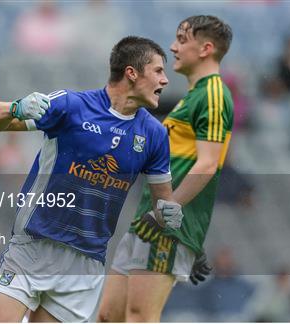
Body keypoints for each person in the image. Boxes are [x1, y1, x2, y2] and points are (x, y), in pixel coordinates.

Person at [0, 36, 181, 322]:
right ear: (131, 73)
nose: (165, 80)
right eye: (159, 71)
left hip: (85, 265)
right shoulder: (72, 105)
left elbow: (164, 202)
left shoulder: (154, 134)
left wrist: (169, 213)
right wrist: (17, 108)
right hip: (34, 246)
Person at [98, 15, 234, 322]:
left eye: (182, 40)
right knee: (109, 315)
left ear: (206, 48)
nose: (173, 47)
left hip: (165, 223)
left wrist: (169, 214)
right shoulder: (194, 96)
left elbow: (209, 163)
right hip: (148, 218)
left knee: (140, 316)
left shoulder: (213, 94)